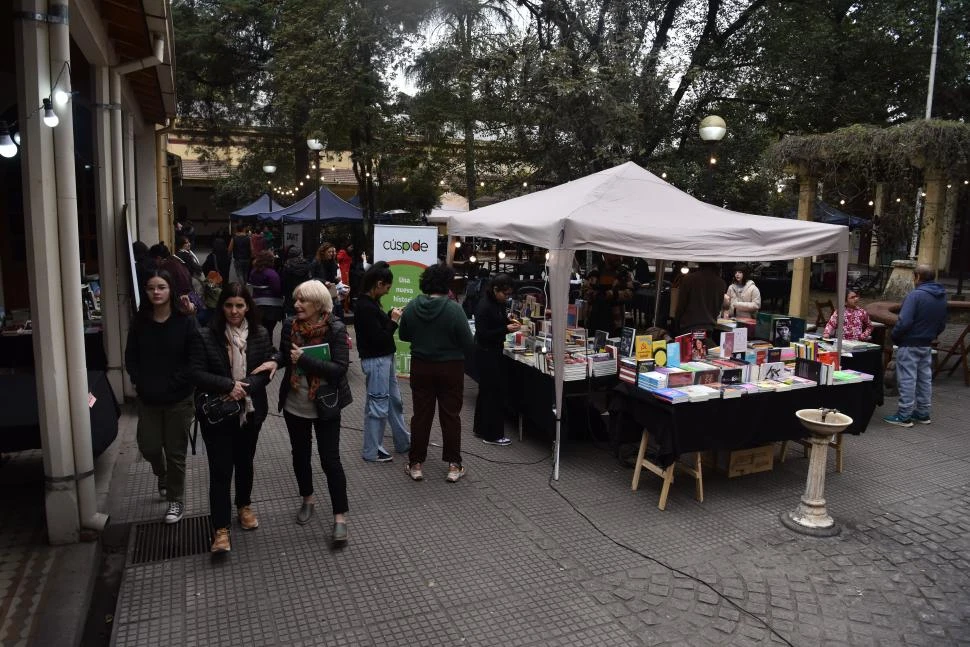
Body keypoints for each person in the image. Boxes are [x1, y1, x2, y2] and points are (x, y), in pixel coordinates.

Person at [189, 283, 277, 553]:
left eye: (239, 305)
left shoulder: (260, 334)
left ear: (248, 307)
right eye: (229, 305)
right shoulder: (206, 335)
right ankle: (220, 528)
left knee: (245, 462)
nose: (234, 311)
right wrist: (228, 385)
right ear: (221, 307)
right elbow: (195, 373)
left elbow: (266, 370)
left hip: (250, 412)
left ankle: (244, 506)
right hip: (217, 414)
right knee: (220, 470)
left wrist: (246, 385)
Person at [277, 281, 352, 544]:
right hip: (294, 403)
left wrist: (305, 360)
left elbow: (340, 368)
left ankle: (340, 517)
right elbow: (285, 356)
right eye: (296, 299)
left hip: (326, 404)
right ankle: (307, 499)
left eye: (303, 301)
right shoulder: (289, 326)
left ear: (318, 304)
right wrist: (272, 362)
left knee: (330, 460)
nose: (296, 305)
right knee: (300, 455)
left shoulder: (335, 328)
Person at [124, 270, 197, 525]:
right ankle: (161, 473)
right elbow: (131, 356)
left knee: (176, 451)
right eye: (151, 287)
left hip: (179, 398)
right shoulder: (140, 322)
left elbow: (193, 359)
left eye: (161, 287)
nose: (156, 292)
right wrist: (139, 379)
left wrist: (175, 382)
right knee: (149, 446)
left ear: (171, 291)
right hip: (148, 398)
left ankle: (176, 500)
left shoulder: (185, 321)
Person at [398, 263, 474, 483]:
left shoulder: (412, 306)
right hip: (451, 367)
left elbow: (404, 335)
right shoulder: (454, 309)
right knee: (451, 415)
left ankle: (416, 464)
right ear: (447, 283)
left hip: (421, 366)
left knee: (421, 415)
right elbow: (468, 343)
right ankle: (453, 465)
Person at [355, 261, 410, 462]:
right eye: (387, 287)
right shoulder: (365, 306)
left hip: (383, 359)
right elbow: (379, 337)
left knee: (394, 401)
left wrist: (389, 317)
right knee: (378, 405)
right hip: (377, 360)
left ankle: (403, 442)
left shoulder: (369, 304)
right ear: (378, 284)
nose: (388, 291)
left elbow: (376, 330)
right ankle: (372, 450)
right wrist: (393, 321)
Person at [883, 265, 947, 428]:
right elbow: (942, 324)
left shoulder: (915, 296)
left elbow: (904, 321)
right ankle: (923, 412)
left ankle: (904, 415)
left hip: (909, 343)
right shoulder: (941, 296)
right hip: (926, 344)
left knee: (907, 379)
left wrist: (895, 336)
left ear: (918, 277)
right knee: (924, 379)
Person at [473, 273, 521, 446]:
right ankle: (492, 434)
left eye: (509, 294)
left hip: (490, 351)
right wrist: (506, 329)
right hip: (487, 352)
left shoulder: (496, 303)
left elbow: (494, 323)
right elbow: (484, 333)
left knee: (486, 392)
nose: (507, 297)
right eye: (505, 294)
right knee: (493, 393)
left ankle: (480, 428)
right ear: (495, 289)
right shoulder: (485, 306)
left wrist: (505, 320)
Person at [675, 263, 726, 339]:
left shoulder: (689, 279)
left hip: (689, 326)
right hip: (709, 327)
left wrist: (676, 323)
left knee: (691, 350)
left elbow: (681, 305)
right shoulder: (721, 283)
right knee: (702, 349)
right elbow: (718, 308)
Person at [249, 250, 284, 341]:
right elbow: (277, 289)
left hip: (257, 304)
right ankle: (268, 348)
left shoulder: (253, 271)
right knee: (269, 330)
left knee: (261, 330)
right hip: (272, 307)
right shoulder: (272, 274)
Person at [310, 242, 344, 320]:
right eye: (329, 252)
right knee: (322, 315)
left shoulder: (332, 263)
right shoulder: (316, 262)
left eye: (332, 252)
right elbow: (311, 278)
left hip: (330, 292)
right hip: (320, 293)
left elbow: (332, 279)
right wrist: (324, 281)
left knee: (333, 314)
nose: (331, 254)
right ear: (323, 252)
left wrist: (337, 280)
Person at [281, 245, 312, 316]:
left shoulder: (286, 266)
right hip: (304, 295)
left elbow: (284, 283)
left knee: (291, 319)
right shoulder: (306, 265)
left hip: (290, 297)